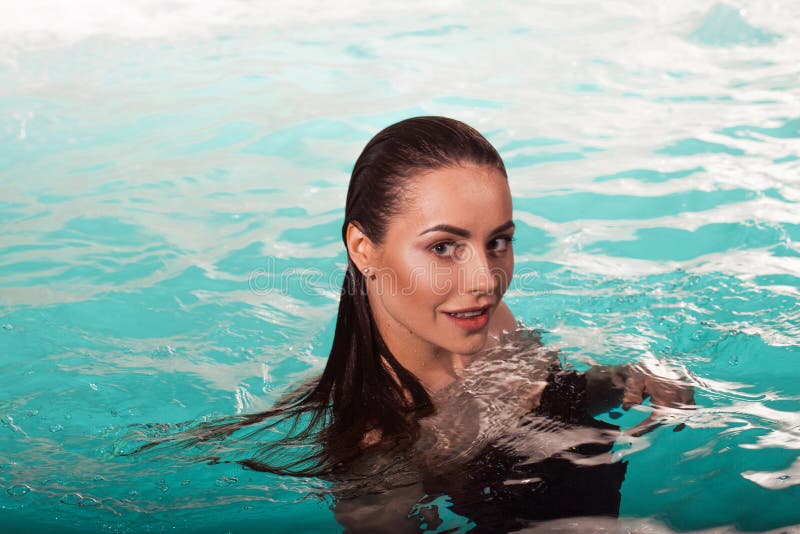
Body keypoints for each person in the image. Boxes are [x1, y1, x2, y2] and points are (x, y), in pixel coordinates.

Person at [131, 116, 694, 532]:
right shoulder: (378, 445)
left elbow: (548, 398)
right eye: (444, 246)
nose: (485, 278)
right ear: (363, 248)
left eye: (497, 241)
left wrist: (623, 380)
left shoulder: (485, 320)